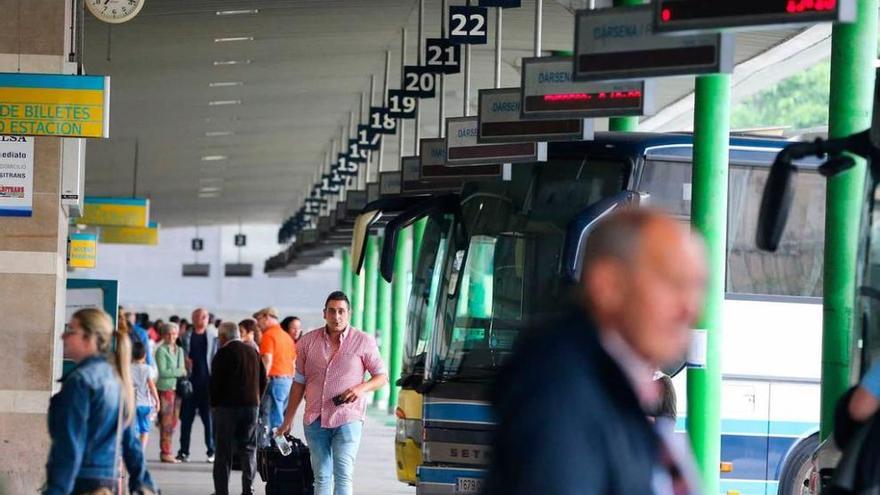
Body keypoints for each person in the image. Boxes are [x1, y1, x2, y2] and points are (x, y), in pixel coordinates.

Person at [484, 210, 707, 495]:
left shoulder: (607, 387)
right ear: (609, 285)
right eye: (673, 283)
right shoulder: (562, 396)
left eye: (697, 287)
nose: (690, 308)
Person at [277, 291, 388, 495]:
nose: (336, 316)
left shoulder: (363, 341)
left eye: (341, 312)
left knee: (343, 474)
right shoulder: (307, 342)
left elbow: (382, 377)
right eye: (332, 311)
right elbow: (299, 382)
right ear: (324, 313)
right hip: (314, 419)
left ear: (349, 314)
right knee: (321, 476)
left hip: (348, 418)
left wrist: (359, 388)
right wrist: (288, 419)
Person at [45, 308, 157, 495]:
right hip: (106, 482)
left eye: (71, 330)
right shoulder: (115, 377)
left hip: (81, 483)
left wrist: (56, 490)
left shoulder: (80, 382)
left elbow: (70, 446)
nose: (63, 336)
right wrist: (142, 481)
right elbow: (131, 443)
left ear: (90, 339)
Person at [210, 322, 268, 495]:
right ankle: (248, 489)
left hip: (227, 409)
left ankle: (222, 491)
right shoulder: (253, 352)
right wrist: (257, 400)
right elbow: (264, 380)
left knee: (223, 452)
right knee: (249, 449)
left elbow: (215, 384)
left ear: (223, 337)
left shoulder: (223, 353)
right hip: (251, 407)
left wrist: (214, 404)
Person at [178, 307, 219, 463]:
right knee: (186, 420)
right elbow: (179, 356)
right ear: (193, 318)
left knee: (208, 421)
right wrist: (184, 363)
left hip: (207, 385)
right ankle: (184, 451)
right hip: (190, 384)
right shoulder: (186, 337)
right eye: (198, 316)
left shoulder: (213, 337)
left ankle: (211, 450)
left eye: (204, 317)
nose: (202, 319)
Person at [255, 306, 296, 429]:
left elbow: (267, 359)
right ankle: (277, 445)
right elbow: (293, 361)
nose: (258, 324)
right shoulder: (286, 336)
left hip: (275, 382)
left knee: (273, 422)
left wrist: (260, 382)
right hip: (287, 382)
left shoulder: (268, 335)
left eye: (259, 319)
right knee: (279, 418)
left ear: (267, 317)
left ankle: (276, 447)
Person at [156, 322, 186, 463]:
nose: (171, 336)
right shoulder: (161, 350)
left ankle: (167, 449)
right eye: (168, 334)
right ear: (163, 335)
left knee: (174, 421)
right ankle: (166, 451)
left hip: (178, 389)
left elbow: (183, 369)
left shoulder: (179, 350)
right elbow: (162, 372)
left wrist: (178, 371)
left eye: (174, 334)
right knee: (166, 422)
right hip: (165, 389)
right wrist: (178, 371)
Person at [131, 341, 160, 448]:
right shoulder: (148, 369)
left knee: (134, 431)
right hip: (146, 404)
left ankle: (132, 452)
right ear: (145, 355)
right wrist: (157, 400)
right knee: (145, 430)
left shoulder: (128, 368)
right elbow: (152, 386)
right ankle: (141, 452)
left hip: (132, 404)